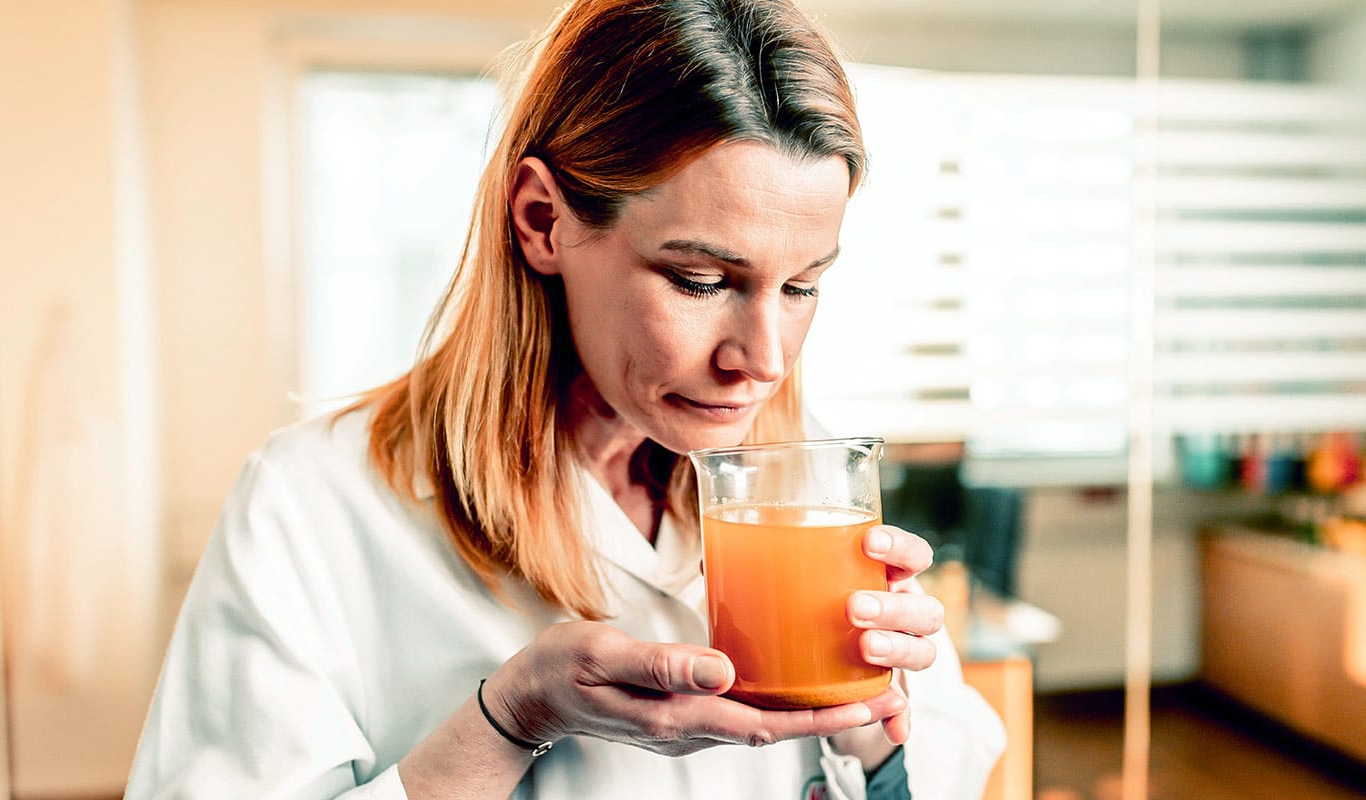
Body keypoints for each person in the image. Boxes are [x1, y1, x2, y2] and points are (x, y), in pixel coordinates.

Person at [125, 0, 1006, 797]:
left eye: (803, 286)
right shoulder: (313, 504)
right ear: (543, 220)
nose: (764, 359)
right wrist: (511, 719)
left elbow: (944, 767)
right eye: (700, 280)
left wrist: (867, 722)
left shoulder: (806, 485)